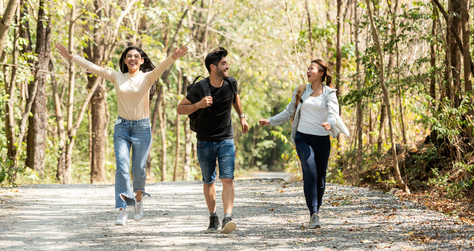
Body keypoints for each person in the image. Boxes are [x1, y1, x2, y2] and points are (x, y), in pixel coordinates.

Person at [56, 42, 188, 226]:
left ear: (141, 61)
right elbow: (94, 68)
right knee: (121, 168)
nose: (132, 59)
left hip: (142, 128)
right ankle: (122, 210)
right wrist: (72, 57)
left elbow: (162, 67)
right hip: (122, 128)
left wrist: (173, 57)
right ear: (125, 61)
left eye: (136, 56)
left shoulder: (148, 77)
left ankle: (139, 201)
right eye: (129, 56)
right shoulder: (117, 77)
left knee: (138, 171)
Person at [259, 59, 349, 229]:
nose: (308, 70)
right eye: (308, 68)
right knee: (310, 172)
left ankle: (317, 209)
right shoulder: (301, 90)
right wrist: (270, 121)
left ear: (321, 73)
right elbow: (289, 111)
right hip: (303, 137)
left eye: (312, 68)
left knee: (321, 178)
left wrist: (329, 123)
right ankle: (313, 213)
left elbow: (333, 113)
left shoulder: (329, 93)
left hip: (322, 139)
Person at [176, 47, 249, 234]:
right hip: (205, 141)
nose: (228, 66)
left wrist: (242, 117)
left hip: (226, 139)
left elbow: (236, 100)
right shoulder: (200, 88)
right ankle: (213, 217)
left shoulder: (231, 82)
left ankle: (227, 218)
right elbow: (180, 108)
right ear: (212, 67)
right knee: (209, 181)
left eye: (227, 62)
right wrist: (198, 105)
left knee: (228, 179)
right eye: (224, 63)